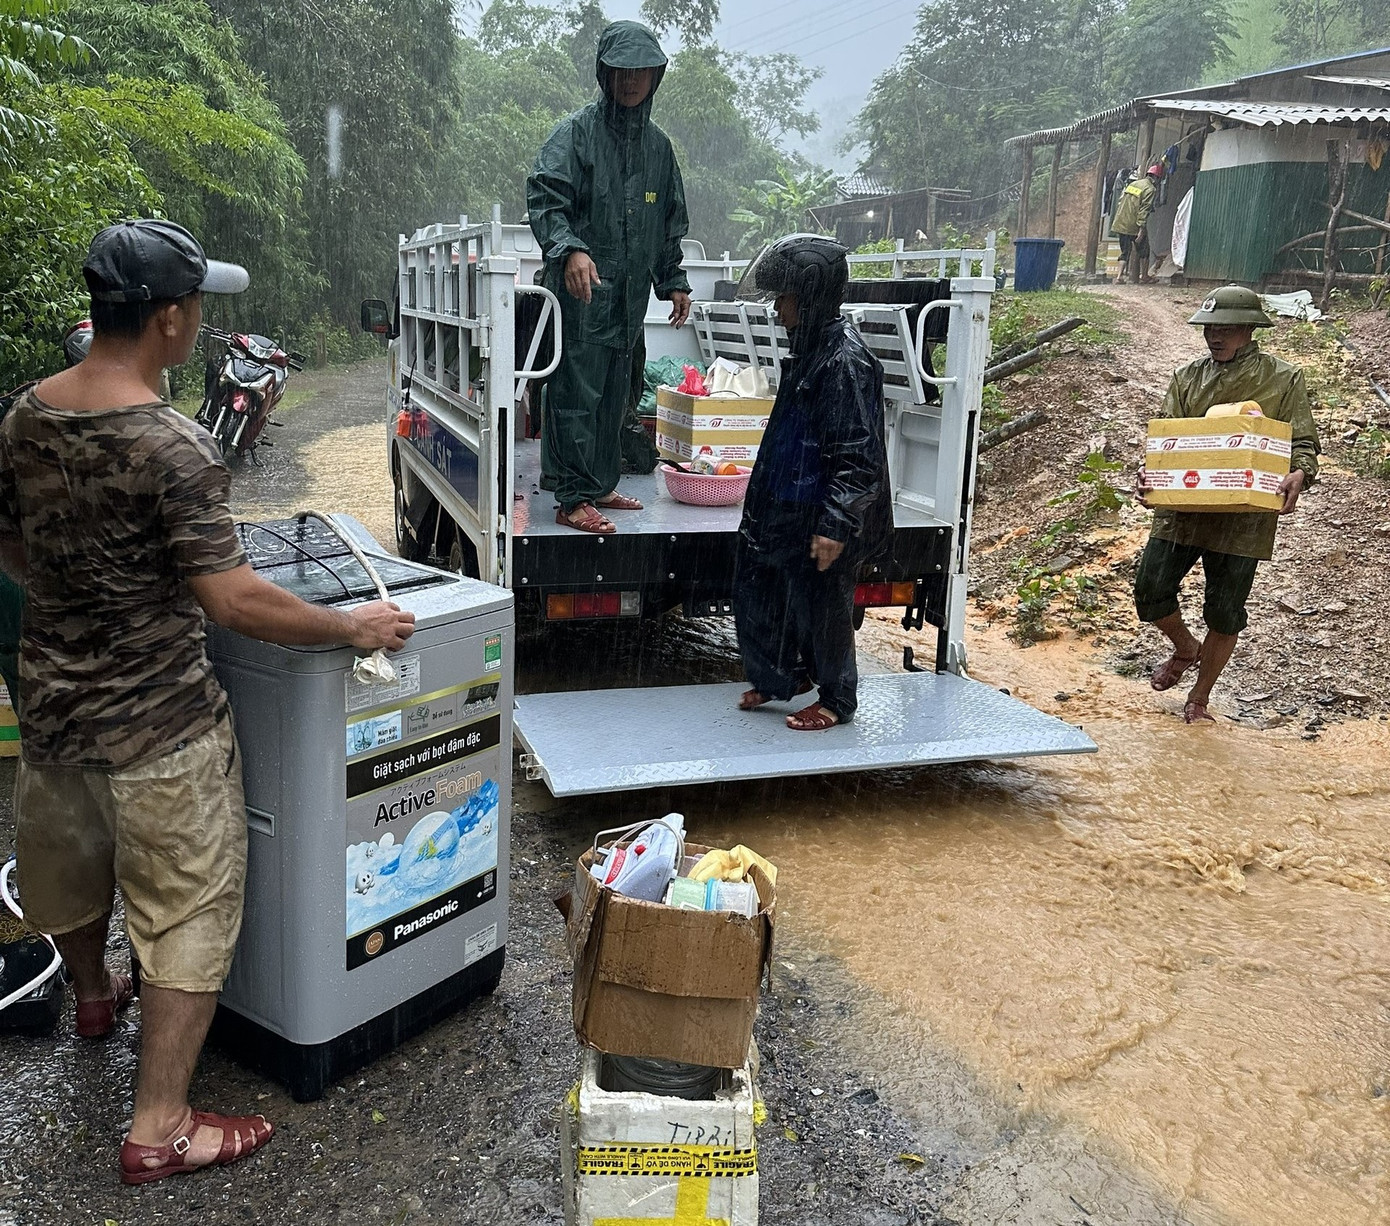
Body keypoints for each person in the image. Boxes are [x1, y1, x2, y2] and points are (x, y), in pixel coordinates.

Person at [0, 219, 415, 1185]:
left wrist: (76, 597)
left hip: (55, 717)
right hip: (161, 732)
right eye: (197, 310)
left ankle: (96, 994)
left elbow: (11, 545)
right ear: (172, 318)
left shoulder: (22, 417)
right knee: (188, 907)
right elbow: (232, 598)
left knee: (71, 873)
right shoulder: (176, 447)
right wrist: (351, 627)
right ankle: (161, 1123)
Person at [527, 19, 691, 534]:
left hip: (627, 303)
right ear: (604, 73)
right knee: (577, 395)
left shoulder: (659, 150)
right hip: (581, 299)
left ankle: (598, 485)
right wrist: (569, 248)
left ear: (655, 76)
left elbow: (667, 226)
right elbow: (545, 196)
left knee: (617, 396)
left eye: (641, 70)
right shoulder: (576, 134)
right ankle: (573, 497)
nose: (631, 80)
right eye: (621, 71)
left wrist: (674, 279)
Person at [1135, 285, 1319, 723]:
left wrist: (1300, 473)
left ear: (1251, 329)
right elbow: (1167, 440)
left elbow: (1304, 442)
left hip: (1246, 515)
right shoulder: (1186, 377)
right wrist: (1149, 474)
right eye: (1209, 329)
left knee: (1224, 609)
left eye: (1227, 329)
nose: (1215, 337)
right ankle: (1185, 648)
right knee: (1149, 590)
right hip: (1184, 507)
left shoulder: (1284, 379)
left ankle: (1199, 697)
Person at [732, 234, 891, 732]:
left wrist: (835, 523)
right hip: (790, 500)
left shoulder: (843, 360)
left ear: (810, 298)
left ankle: (837, 699)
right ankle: (786, 677)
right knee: (765, 589)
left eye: (784, 299)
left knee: (825, 604)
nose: (778, 311)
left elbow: (857, 453)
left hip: (821, 507)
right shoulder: (810, 348)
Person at [1112, 163, 1163, 285]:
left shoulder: (1133, 184)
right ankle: (1144, 276)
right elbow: (1144, 210)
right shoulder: (1150, 189)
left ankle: (1118, 277)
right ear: (1157, 178)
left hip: (1121, 222)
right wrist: (1141, 228)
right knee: (1144, 250)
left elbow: (1121, 201)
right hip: (1133, 225)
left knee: (1125, 251)